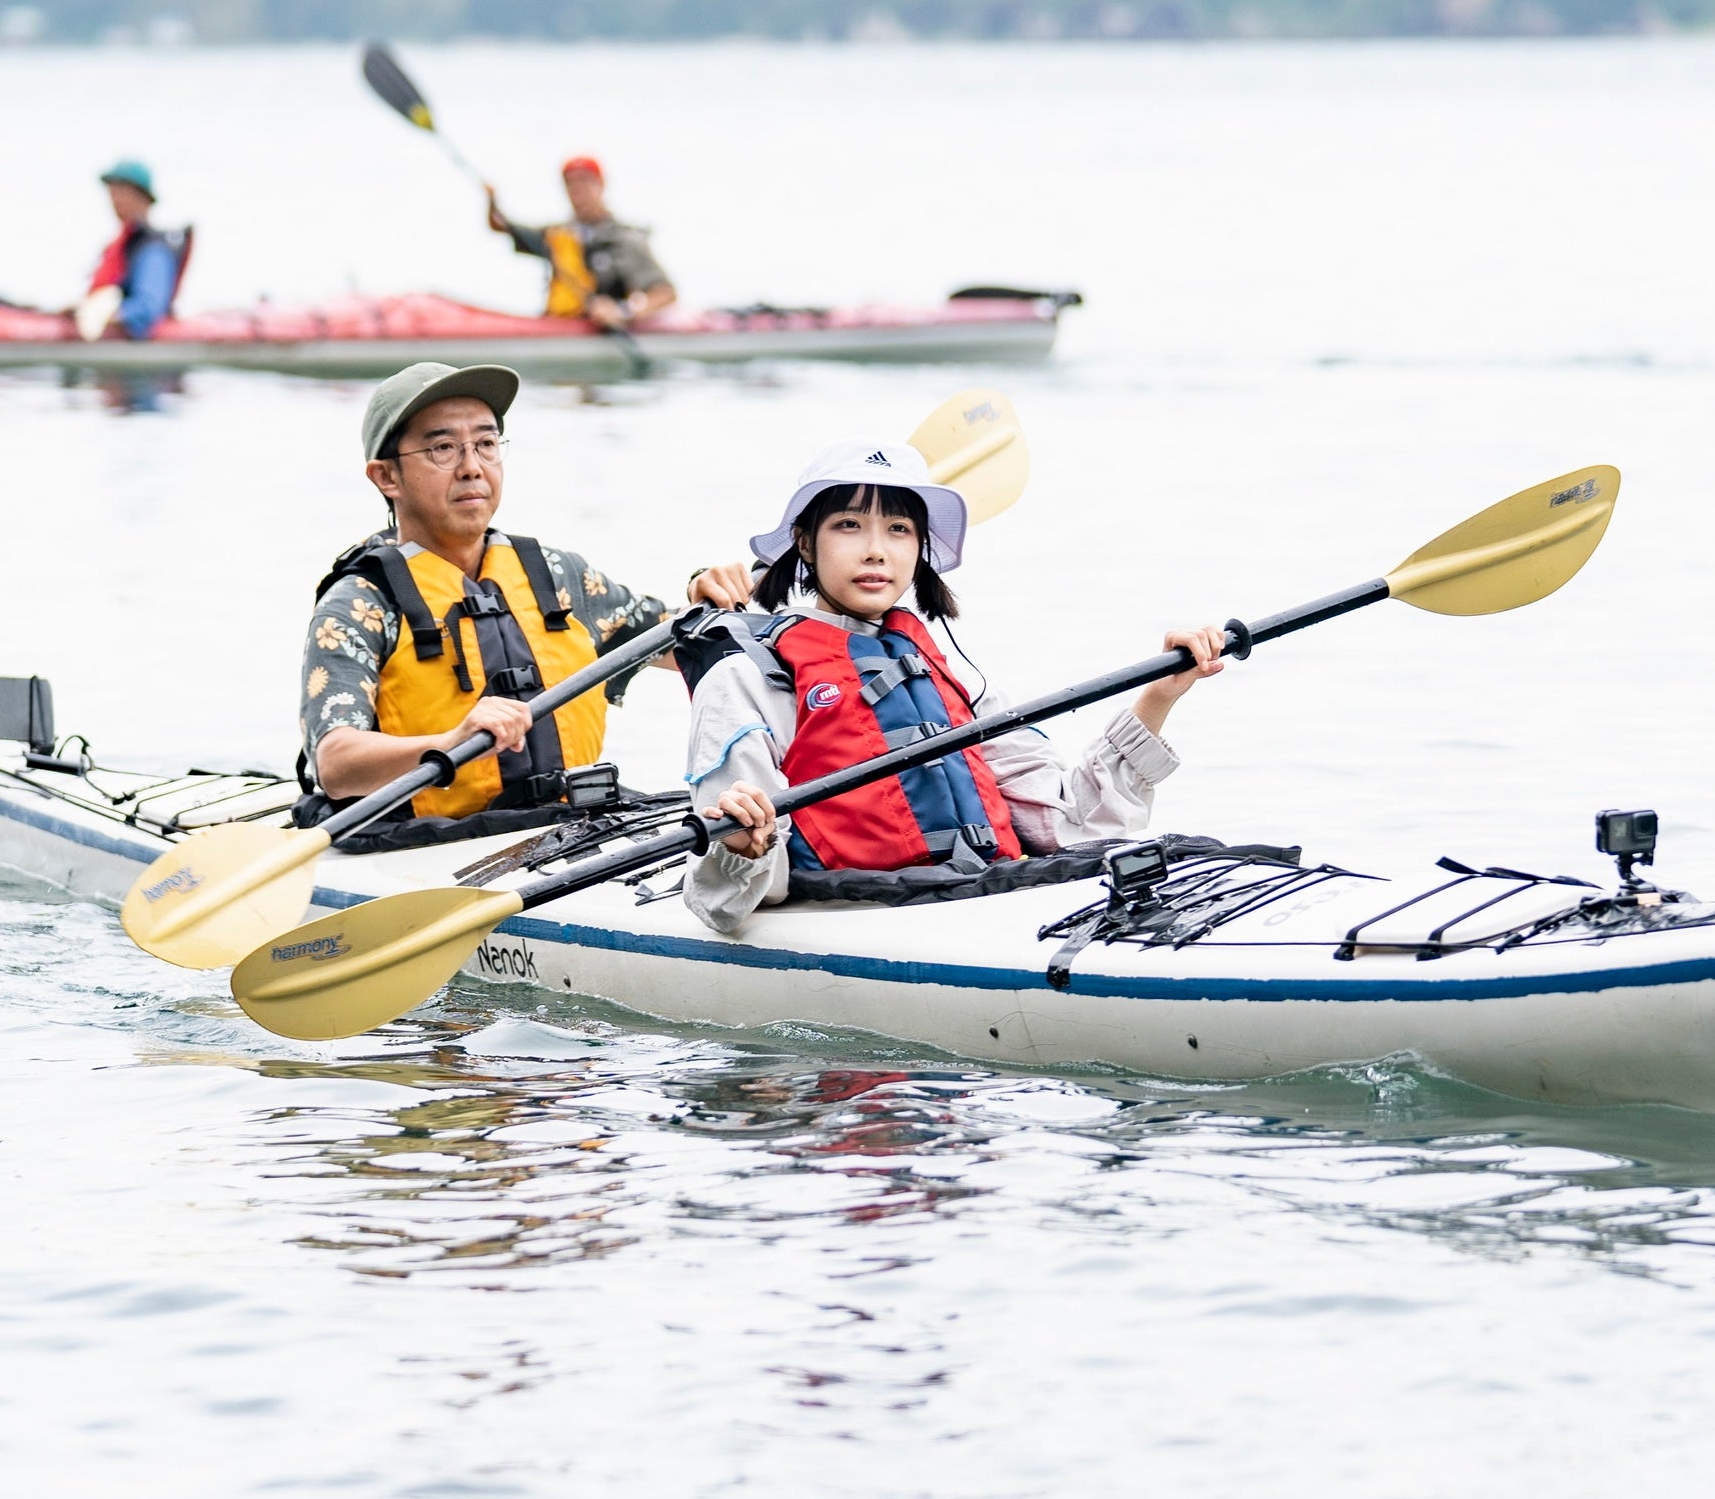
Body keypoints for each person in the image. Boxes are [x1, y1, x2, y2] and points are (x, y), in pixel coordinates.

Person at [678, 441, 1225, 933]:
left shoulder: (953, 676)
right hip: (849, 914)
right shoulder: (749, 674)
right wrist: (745, 846)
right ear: (804, 541)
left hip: (978, 899)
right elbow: (728, 903)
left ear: (919, 549)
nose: (876, 551)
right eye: (848, 525)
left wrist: (1159, 696)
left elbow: (1073, 827)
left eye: (898, 529)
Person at [298, 361, 751, 838]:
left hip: (569, 828)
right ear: (387, 477)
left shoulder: (556, 575)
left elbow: (684, 648)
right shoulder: (361, 603)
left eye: (486, 444)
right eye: (443, 448)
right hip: (424, 842)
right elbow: (336, 763)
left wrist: (709, 599)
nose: (472, 467)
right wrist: (451, 744)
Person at [486, 155, 676, 332]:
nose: (577, 191)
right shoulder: (558, 235)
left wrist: (622, 312)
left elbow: (664, 293)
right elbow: (500, 225)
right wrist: (492, 201)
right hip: (559, 328)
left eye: (584, 182)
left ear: (601, 185)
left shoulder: (625, 239)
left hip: (604, 333)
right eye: (570, 184)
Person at [79, 160, 187, 341]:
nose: (115, 199)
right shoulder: (122, 246)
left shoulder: (153, 250)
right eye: (112, 192)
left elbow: (147, 307)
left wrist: (106, 316)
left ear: (143, 197)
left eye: (122, 191)